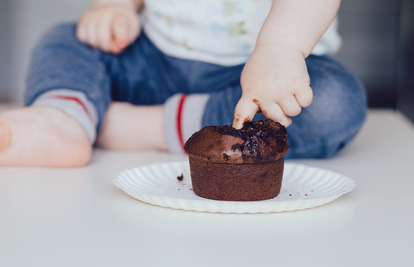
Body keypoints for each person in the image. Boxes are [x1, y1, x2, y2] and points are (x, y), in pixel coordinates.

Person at [0, 0, 366, 167]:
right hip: (152, 59)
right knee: (67, 38)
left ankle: (138, 125)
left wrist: (281, 47)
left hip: (254, 82)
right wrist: (116, 8)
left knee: (334, 101)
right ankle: (63, 116)